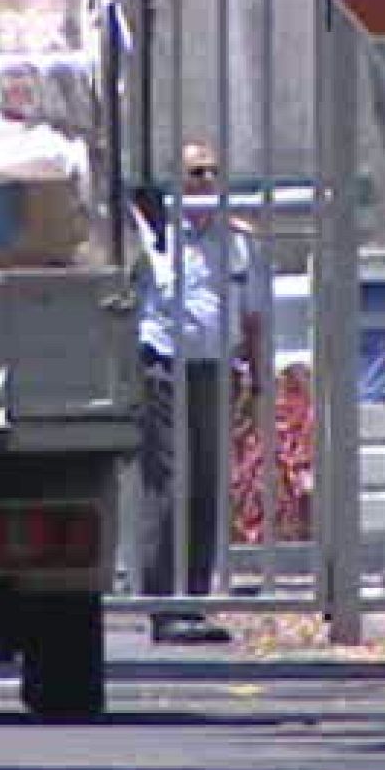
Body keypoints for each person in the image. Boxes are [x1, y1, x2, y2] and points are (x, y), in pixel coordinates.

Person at [132, 141, 267, 644]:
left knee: (208, 484)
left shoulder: (239, 243)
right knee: (168, 483)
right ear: (177, 181)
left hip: (217, 371)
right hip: (163, 368)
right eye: (194, 173)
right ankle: (163, 606)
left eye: (212, 172)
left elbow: (254, 318)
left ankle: (195, 598)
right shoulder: (155, 236)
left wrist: (259, 379)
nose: (205, 181)